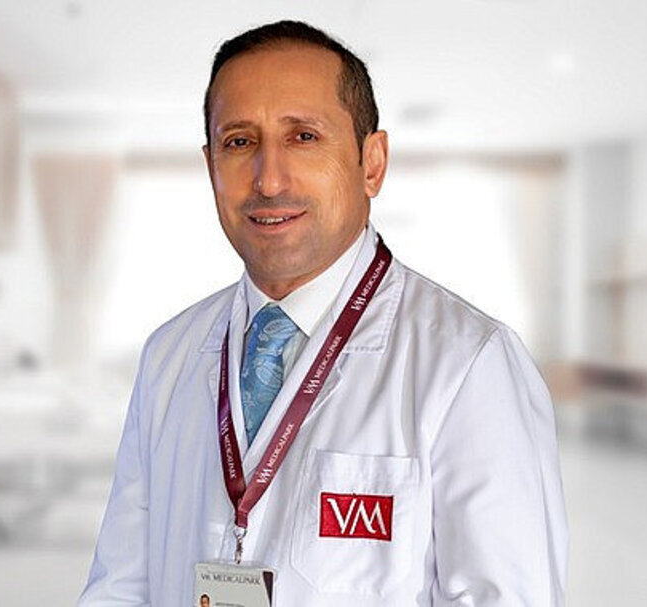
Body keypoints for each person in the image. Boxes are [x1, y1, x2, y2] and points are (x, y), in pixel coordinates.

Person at [79, 20, 567, 606]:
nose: (268, 179)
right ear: (210, 166)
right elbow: (119, 587)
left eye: (303, 136)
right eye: (240, 142)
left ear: (372, 163)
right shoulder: (169, 354)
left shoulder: (469, 364)